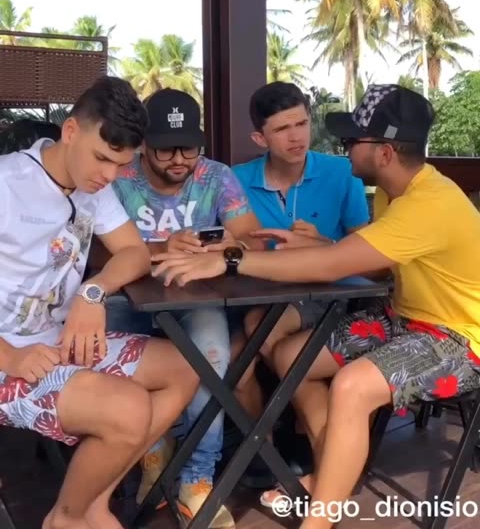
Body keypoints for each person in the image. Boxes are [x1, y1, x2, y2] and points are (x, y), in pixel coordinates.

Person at [152, 84, 480, 529]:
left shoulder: (429, 203)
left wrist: (230, 259)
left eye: (351, 141)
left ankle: (320, 518)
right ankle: (333, 475)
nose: (342, 149)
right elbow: (379, 262)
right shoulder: (396, 189)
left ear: (384, 153)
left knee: (352, 386)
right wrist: (326, 246)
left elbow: (333, 267)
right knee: (292, 356)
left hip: (462, 339)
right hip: (405, 319)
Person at [0, 76, 199, 529]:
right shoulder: (7, 184)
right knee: (128, 408)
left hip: (55, 343)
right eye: (103, 158)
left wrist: (93, 292)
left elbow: (135, 253)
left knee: (186, 366)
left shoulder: (92, 189)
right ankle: (66, 518)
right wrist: (10, 356)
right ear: (71, 131)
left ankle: (91, 502)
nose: (109, 175)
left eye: (121, 164)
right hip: (8, 356)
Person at [108, 87, 263, 528]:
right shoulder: (119, 179)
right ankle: (152, 455)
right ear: (143, 145)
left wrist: (223, 247)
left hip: (196, 297)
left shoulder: (216, 176)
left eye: (189, 148)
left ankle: (197, 480)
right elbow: (94, 251)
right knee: (106, 351)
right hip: (125, 296)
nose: (179, 160)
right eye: (165, 150)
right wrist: (160, 248)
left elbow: (251, 239)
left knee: (211, 354)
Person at [230, 81, 369, 477]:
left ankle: (286, 445)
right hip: (260, 294)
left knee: (262, 329)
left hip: (332, 295)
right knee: (236, 362)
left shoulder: (342, 171)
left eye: (302, 124)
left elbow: (366, 247)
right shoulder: (236, 180)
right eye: (282, 129)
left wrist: (325, 245)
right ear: (260, 138)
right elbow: (230, 244)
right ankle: (282, 447)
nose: (296, 137)